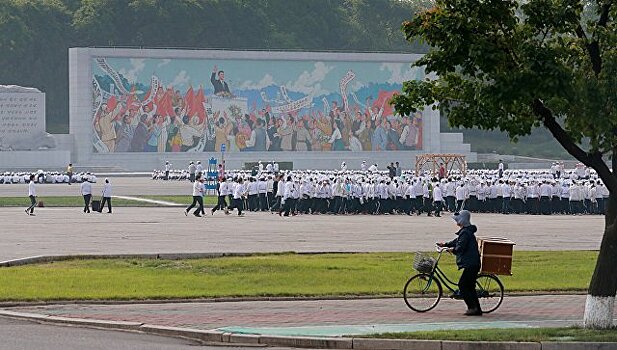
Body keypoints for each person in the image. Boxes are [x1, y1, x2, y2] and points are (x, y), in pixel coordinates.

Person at [437, 210, 482, 316]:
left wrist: (452, 250)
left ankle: (472, 308)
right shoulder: (465, 231)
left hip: (471, 264)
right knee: (470, 287)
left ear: (462, 220)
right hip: (472, 263)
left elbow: (460, 247)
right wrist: (445, 244)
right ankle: (477, 309)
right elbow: (457, 241)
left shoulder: (466, 233)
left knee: (463, 285)